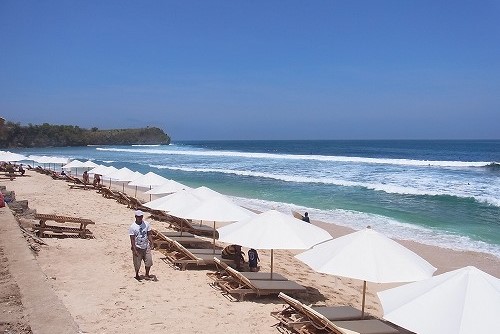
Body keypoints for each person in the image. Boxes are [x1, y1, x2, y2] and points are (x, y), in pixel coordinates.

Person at [129, 210, 154, 280]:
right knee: (137, 263)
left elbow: (149, 234)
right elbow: (132, 239)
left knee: (149, 261)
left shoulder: (146, 224)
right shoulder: (132, 227)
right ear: (135, 217)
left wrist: (151, 242)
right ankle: (137, 274)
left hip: (146, 246)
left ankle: (147, 274)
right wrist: (134, 249)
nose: (140, 218)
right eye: (138, 217)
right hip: (137, 247)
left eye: (141, 216)